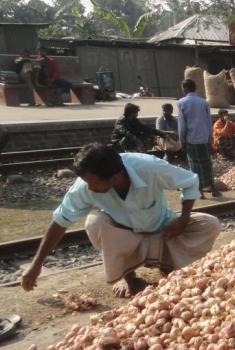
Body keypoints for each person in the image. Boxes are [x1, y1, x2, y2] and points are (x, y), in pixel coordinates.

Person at [21, 143, 221, 298]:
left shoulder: (149, 167)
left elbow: (190, 181)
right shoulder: (84, 186)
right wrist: (36, 264)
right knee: (94, 222)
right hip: (126, 237)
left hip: (163, 230)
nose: (90, 188)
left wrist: (184, 219)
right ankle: (129, 278)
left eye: (94, 183)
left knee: (209, 224)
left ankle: (168, 265)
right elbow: (60, 221)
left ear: (115, 177)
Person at [178, 78, 220, 199]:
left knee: (194, 165)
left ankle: (199, 190)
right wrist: (210, 140)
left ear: (185, 88)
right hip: (204, 139)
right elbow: (208, 122)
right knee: (207, 163)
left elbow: (182, 125)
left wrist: (182, 141)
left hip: (191, 139)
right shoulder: (203, 102)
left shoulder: (182, 102)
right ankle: (212, 188)